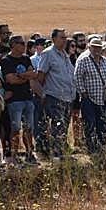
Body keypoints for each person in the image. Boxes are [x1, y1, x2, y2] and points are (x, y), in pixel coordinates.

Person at [74, 36, 106, 153]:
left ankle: (101, 144)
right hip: (88, 97)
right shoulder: (83, 59)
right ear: (89, 47)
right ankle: (91, 146)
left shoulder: (104, 61)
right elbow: (77, 77)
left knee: (101, 122)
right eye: (94, 47)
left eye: (99, 47)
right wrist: (83, 92)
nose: (97, 49)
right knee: (90, 122)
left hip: (102, 97)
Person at [36, 28, 75, 159]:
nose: (64, 40)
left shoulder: (64, 54)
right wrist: (42, 94)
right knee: (57, 124)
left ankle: (62, 149)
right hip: (54, 95)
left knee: (64, 125)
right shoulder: (48, 54)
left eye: (65, 38)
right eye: (62, 38)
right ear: (54, 39)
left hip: (67, 96)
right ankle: (56, 153)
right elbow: (41, 75)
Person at [1, 35, 38, 164]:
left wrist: (21, 75)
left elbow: (33, 74)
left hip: (27, 97)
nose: (24, 45)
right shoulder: (6, 61)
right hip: (14, 100)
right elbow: (10, 79)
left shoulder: (26, 58)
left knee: (29, 128)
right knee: (15, 128)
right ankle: (14, 154)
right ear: (13, 45)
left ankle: (29, 153)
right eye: (21, 43)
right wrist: (25, 77)